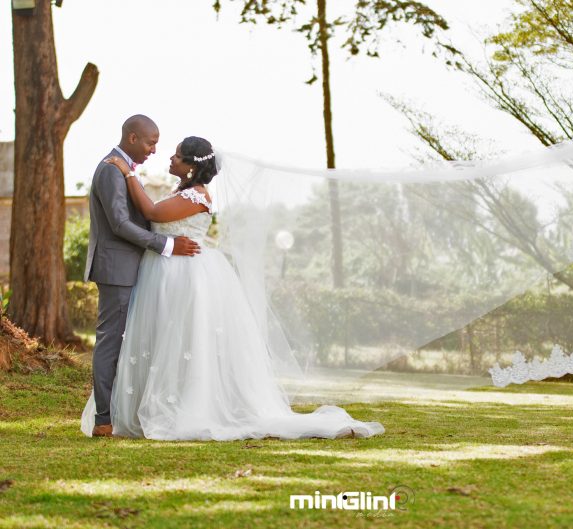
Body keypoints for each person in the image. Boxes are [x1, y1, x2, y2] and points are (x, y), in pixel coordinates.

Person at [81, 135, 384, 441]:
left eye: (176, 156)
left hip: (184, 276)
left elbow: (152, 213)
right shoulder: (184, 192)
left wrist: (129, 172)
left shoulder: (196, 196)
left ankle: (184, 406)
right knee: (165, 343)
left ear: (190, 167)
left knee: (185, 341)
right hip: (166, 273)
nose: (169, 159)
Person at [84, 115, 200, 438]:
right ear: (133, 138)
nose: (154, 149)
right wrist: (166, 244)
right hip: (116, 270)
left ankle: (125, 412)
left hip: (135, 269)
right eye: (151, 142)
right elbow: (120, 224)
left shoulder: (126, 171)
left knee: (131, 342)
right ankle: (103, 419)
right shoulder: (110, 169)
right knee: (110, 341)